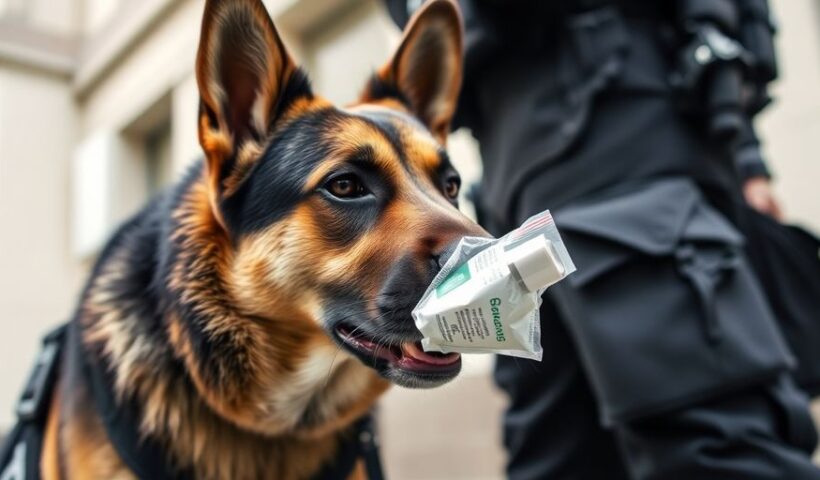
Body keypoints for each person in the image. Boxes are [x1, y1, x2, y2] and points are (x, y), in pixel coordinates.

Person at [384, 1, 820, 478]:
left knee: (709, 449)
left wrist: (745, 158)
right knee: (566, 454)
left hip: (621, 130)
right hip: (531, 166)